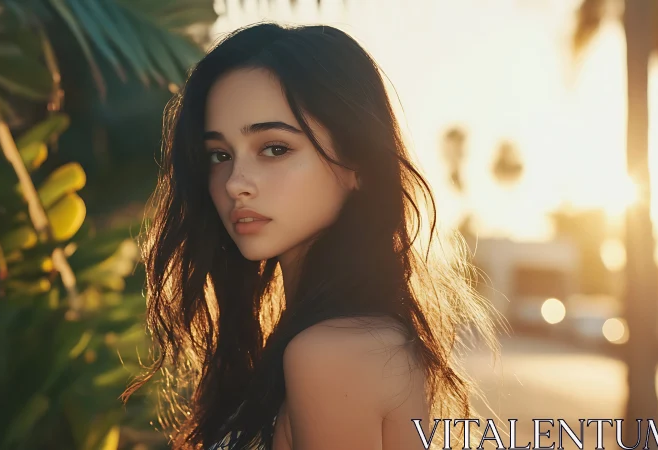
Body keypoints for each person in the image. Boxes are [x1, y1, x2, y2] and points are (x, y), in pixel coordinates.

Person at [122, 21, 502, 450]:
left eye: (275, 148)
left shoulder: (330, 351)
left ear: (356, 162)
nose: (234, 182)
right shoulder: (357, 334)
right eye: (220, 155)